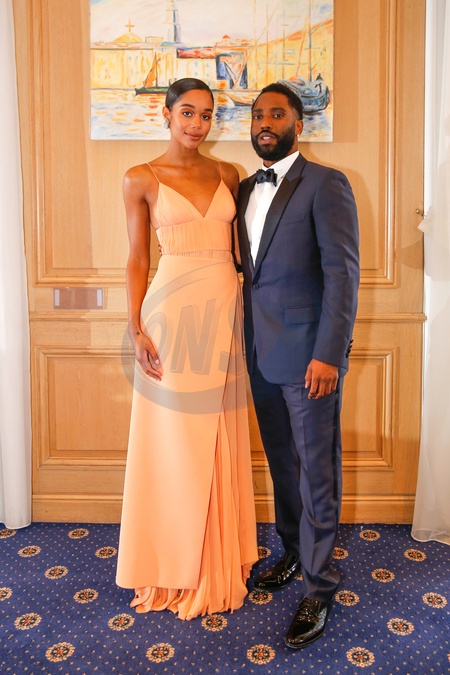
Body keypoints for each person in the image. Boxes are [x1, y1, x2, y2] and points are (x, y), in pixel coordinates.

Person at [116, 78, 258, 620]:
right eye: (188, 113)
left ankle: (215, 558)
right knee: (175, 439)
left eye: (206, 115)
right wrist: (135, 328)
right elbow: (137, 258)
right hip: (171, 317)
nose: (197, 124)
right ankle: (171, 566)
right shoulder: (140, 177)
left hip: (225, 311)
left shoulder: (229, 174)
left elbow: (243, 253)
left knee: (217, 431)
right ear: (167, 114)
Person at [237, 82, 360, 648]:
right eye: (257, 115)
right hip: (261, 355)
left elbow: (342, 275)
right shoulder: (244, 188)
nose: (265, 123)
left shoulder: (326, 183)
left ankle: (319, 586)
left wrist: (329, 354)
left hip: (311, 359)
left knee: (317, 472)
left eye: (276, 114)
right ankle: (292, 552)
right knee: (283, 466)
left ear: (297, 124)